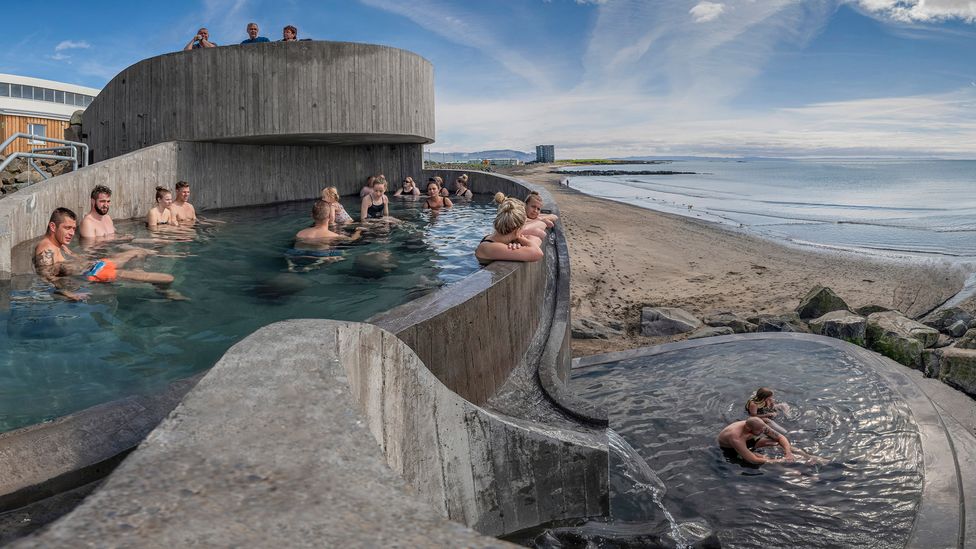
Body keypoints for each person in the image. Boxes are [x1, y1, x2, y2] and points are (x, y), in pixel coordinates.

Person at [34, 208, 174, 300]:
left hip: (97, 264)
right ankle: (161, 290)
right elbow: (47, 278)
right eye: (67, 228)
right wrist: (69, 294)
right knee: (168, 278)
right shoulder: (46, 250)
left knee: (138, 251)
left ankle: (140, 274)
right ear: (53, 227)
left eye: (73, 229)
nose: (71, 233)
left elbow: (73, 260)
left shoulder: (60, 243)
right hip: (97, 274)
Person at [474, 198, 543, 265]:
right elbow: (537, 253)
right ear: (518, 229)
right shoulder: (490, 247)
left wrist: (519, 241)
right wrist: (522, 240)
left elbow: (537, 239)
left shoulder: (501, 238)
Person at [717, 417, 794, 466]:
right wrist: (780, 461)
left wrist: (788, 452)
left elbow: (780, 437)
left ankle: (805, 459)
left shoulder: (759, 425)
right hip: (732, 449)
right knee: (761, 459)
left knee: (779, 444)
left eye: (763, 430)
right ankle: (794, 472)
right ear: (749, 429)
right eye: (760, 431)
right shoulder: (736, 437)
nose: (763, 432)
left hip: (748, 441)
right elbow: (753, 460)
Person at [296, 200, 362, 241]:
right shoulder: (333, 236)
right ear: (329, 217)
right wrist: (358, 230)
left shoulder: (300, 234)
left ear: (312, 215)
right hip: (322, 256)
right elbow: (352, 239)